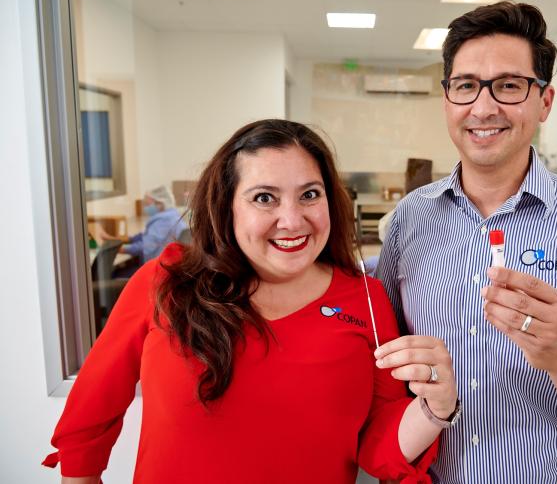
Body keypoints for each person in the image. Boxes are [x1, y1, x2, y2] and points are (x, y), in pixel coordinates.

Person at [43, 119, 460, 483]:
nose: (293, 220)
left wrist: (435, 408)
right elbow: (89, 419)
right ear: (227, 207)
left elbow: (379, 449)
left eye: (309, 195)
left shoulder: (366, 299)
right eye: (265, 198)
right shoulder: (164, 284)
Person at [376, 2, 557, 483]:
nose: (483, 108)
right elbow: (381, 374)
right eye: (465, 86)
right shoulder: (411, 220)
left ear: (544, 101)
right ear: (447, 100)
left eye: (508, 85)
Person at [121, 184, 188, 263]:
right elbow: (149, 236)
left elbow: (145, 247)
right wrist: (130, 239)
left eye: (148, 204)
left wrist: (122, 249)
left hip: (158, 268)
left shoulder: (164, 221)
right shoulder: (173, 216)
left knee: (118, 272)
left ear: (160, 204)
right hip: (169, 265)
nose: (145, 207)